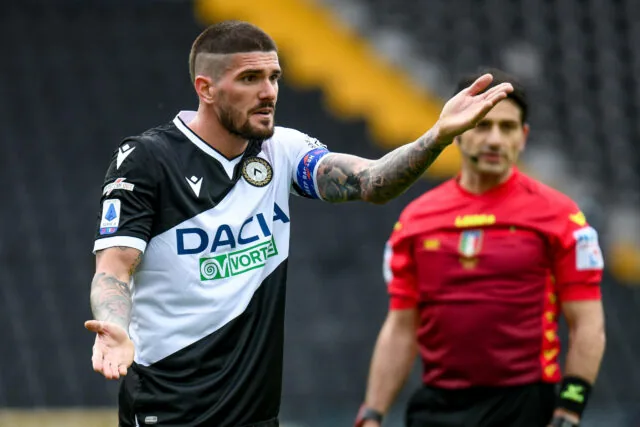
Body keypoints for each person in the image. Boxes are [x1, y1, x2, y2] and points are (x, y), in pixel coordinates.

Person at [85, 20, 513, 427]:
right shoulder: (147, 160)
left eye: (274, 77)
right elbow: (113, 268)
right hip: (169, 408)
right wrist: (114, 327)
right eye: (250, 78)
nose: (268, 92)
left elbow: (372, 182)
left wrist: (437, 136)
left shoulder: (282, 150)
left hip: (254, 412)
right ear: (206, 88)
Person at [354, 69, 606, 427]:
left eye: (507, 127)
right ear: (457, 132)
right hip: (437, 408)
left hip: (525, 406)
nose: (495, 140)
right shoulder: (415, 220)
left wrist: (569, 410)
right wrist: (372, 413)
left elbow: (587, 323)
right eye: (482, 126)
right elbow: (401, 327)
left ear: (523, 136)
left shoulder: (561, 216)